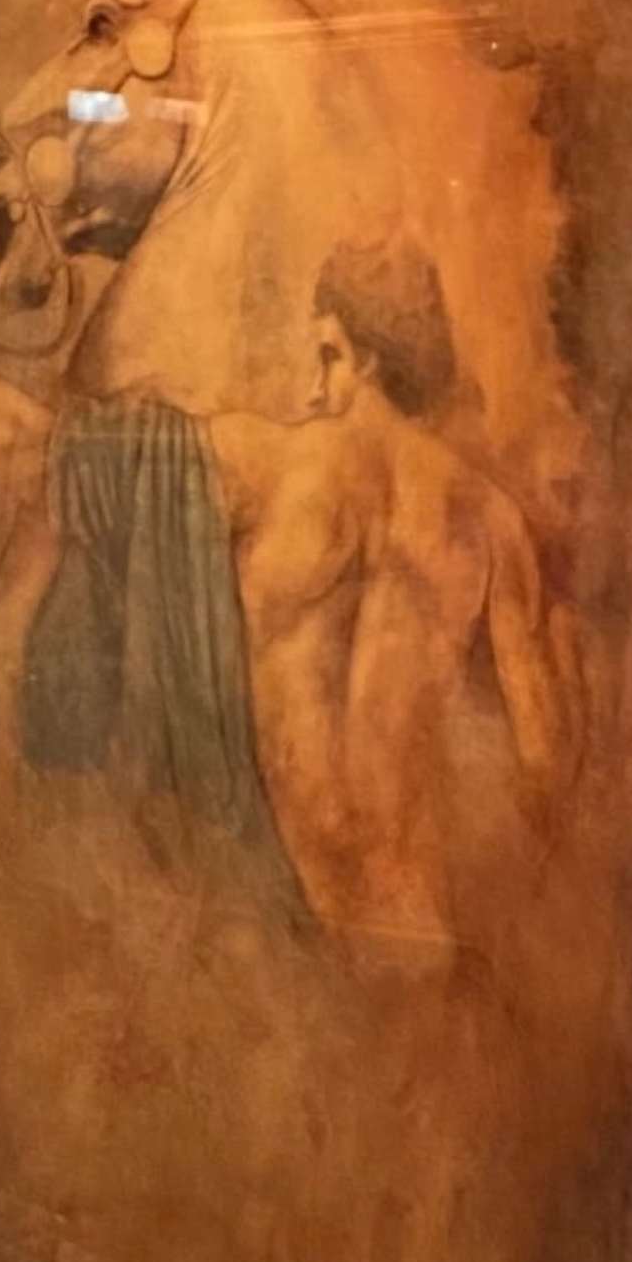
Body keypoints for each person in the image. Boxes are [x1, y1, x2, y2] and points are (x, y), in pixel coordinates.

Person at [201, 235, 574, 954]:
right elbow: (543, 759)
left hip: (295, 927)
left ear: (369, 357)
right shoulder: (491, 520)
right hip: (420, 923)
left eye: (329, 355)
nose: (315, 389)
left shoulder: (273, 466)